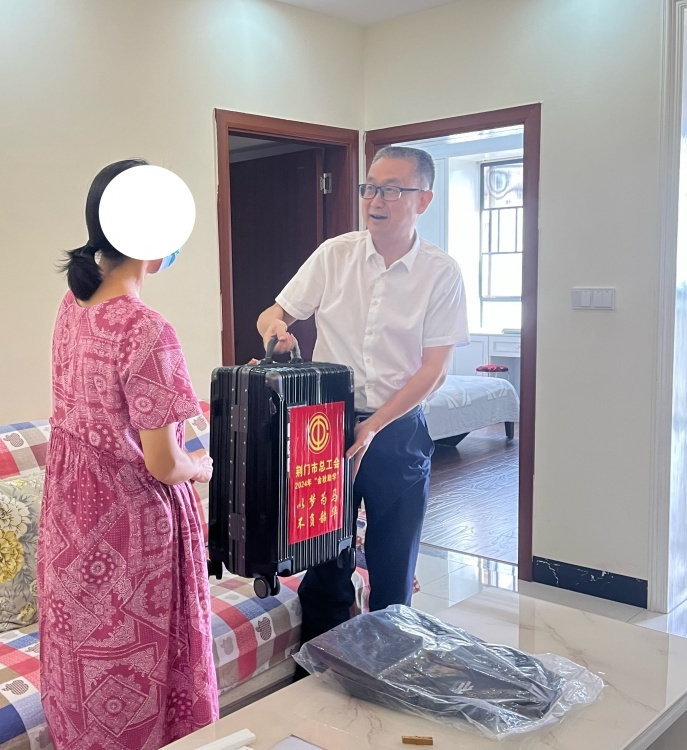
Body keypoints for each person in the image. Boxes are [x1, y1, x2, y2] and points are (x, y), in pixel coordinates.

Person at [256, 146, 469, 647]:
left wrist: (373, 426)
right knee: (325, 555)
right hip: (325, 425)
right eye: (370, 187)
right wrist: (274, 333)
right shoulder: (335, 254)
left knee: (394, 557)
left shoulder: (441, 272)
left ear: (423, 199)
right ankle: (323, 663)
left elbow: (434, 370)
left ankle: (387, 661)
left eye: (392, 189)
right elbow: (274, 313)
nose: (376, 200)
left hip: (397, 428)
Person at [38, 159, 218, 749]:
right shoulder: (145, 328)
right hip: (131, 529)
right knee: (144, 665)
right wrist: (201, 467)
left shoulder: (73, 306)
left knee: (85, 662)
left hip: (72, 523)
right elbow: (163, 462)